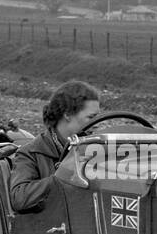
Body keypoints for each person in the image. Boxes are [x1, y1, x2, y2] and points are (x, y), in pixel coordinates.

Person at [8, 80, 100, 213]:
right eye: (91, 117)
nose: (96, 123)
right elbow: (19, 198)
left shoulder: (95, 148)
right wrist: (63, 176)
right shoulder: (30, 153)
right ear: (67, 114)